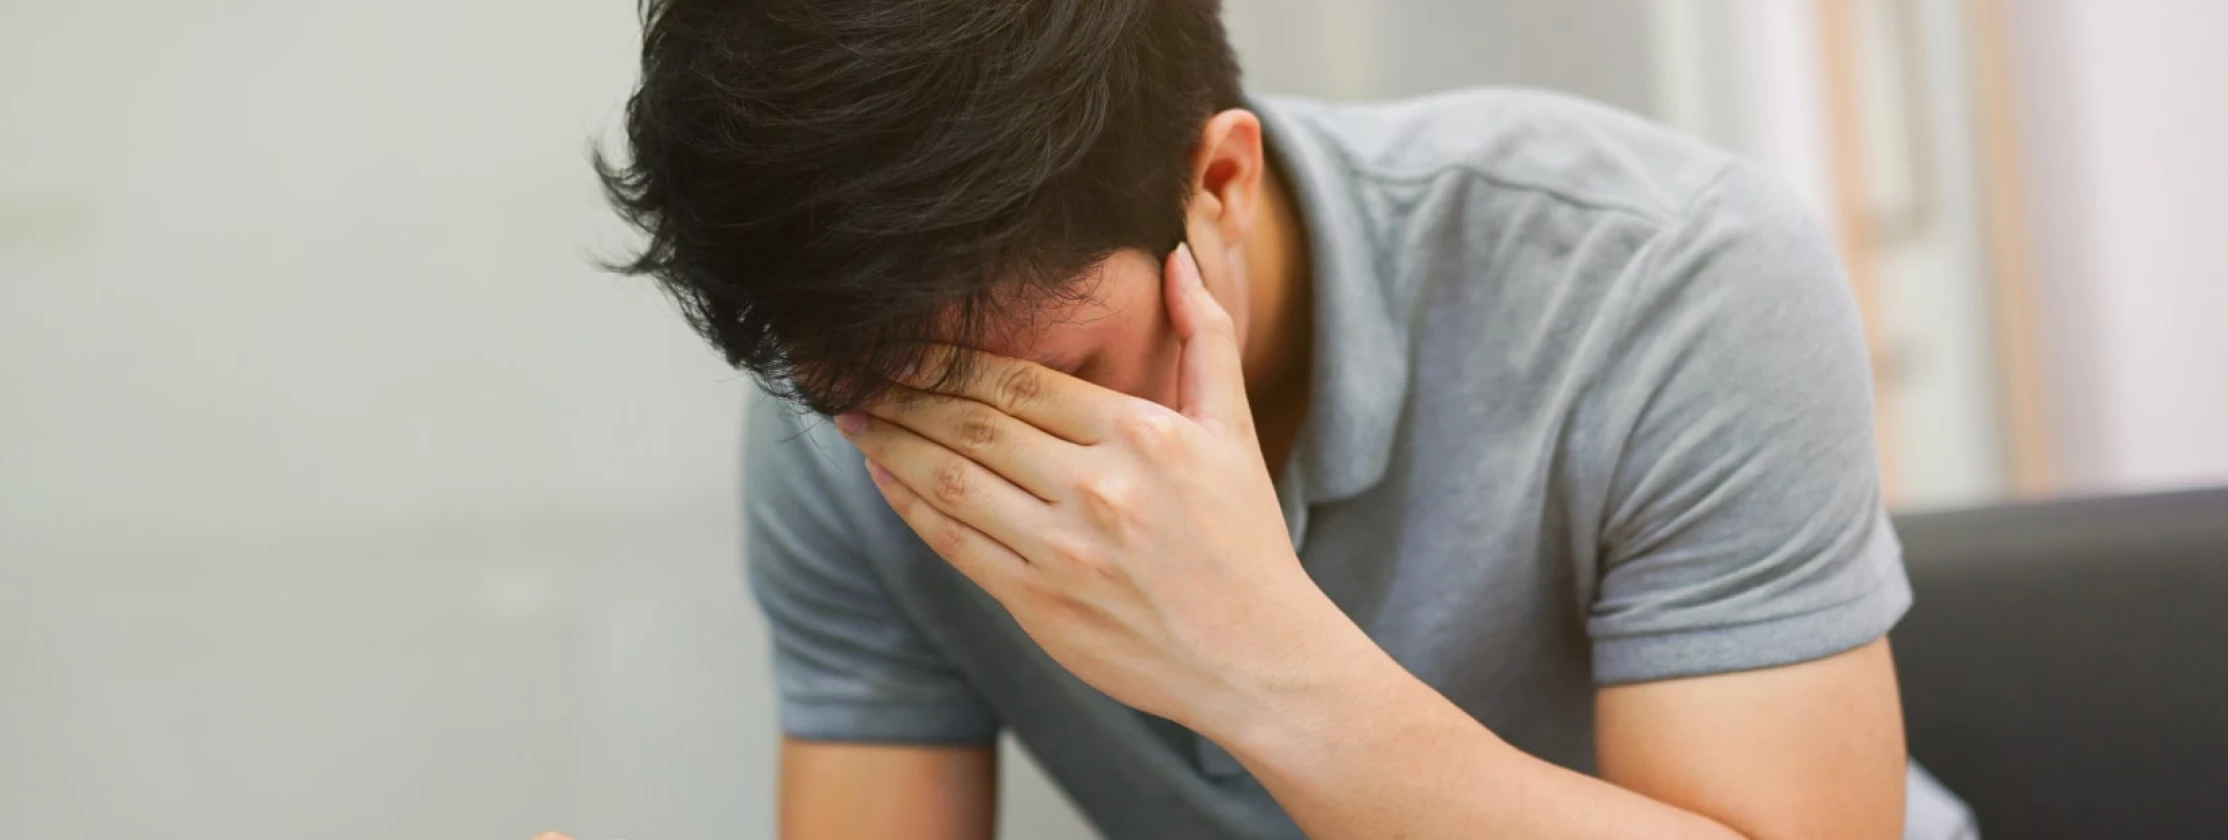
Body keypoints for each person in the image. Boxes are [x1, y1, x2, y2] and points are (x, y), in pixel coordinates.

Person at [580, 1, 1976, 838]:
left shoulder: (1673, 280)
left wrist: (1258, 662)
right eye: (876, 398)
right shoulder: (854, 424)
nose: (975, 448)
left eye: (1045, 376)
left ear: (1220, 186)